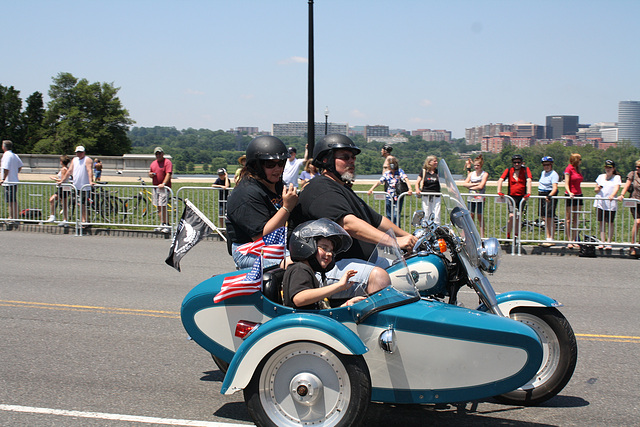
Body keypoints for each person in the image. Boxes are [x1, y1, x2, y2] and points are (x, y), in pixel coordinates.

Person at [294, 133, 416, 299]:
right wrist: (393, 242)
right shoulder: (319, 188)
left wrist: (409, 237)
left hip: (355, 261)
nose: (352, 161)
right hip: (325, 266)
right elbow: (348, 224)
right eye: (345, 157)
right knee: (378, 277)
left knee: (410, 269)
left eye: (353, 158)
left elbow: (379, 221)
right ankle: (379, 325)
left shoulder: (343, 189)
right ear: (326, 160)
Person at [226, 136, 297, 269]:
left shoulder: (277, 185)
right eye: (270, 164)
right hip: (248, 250)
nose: (278, 169)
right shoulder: (246, 194)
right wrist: (287, 207)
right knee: (294, 265)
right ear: (256, 166)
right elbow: (261, 237)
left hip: (277, 243)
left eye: (281, 163)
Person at [283, 218, 365, 309]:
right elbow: (299, 299)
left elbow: (319, 309)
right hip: (302, 322)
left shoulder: (308, 271)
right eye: (324, 248)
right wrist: (339, 286)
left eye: (331, 251)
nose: (329, 254)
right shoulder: (300, 269)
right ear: (307, 246)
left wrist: (345, 305)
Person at [367, 156, 412, 225]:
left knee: (396, 215)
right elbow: (380, 181)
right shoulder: (387, 173)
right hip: (389, 196)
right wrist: (371, 189)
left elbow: (406, 179)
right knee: (389, 215)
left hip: (398, 196)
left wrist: (410, 189)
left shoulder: (400, 171)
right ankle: (390, 229)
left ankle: (397, 230)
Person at [497, 154, 532, 239]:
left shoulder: (525, 170)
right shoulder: (509, 170)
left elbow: (529, 180)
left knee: (518, 217)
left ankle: (516, 236)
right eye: (515, 162)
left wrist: (528, 193)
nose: (517, 164)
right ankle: (508, 235)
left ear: (521, 163)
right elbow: (501, 179)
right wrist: (499, 191)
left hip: (522, 196)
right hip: (511, 196)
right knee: (512, 216)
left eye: (518, 162)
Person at [58, 146, 94, 226]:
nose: (79, 154)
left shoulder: (87, 160)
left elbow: (89, 170)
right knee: (78, 203)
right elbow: (69, 171)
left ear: (84, 152)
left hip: (84, 186)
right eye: (77, 152)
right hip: (76, 185)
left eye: (81, 152)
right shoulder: (74, 160)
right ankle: (84, 220)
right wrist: (62, 180)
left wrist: (91, 181)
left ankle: (84, 220)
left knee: (83, 203)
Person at [594, 160, 621, 250]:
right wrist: (598, 188)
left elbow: (617, 188)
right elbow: (596, 190)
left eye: (610, 167)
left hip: (610, 203)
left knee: (609, 222)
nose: (608, 169)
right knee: (601, 223)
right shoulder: (601, 177)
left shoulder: (616, 177)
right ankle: (602, 241)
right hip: (600, 203)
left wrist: (612, 195)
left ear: (613, 168)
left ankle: (609, 242)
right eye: (606, 167)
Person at [461, 154, 489, 237]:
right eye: (475, 165)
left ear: (481, 165)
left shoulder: (484, 174)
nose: (476, 167)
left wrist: (471, 185)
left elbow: (481, 186)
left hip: (480, 197)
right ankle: (469, 234)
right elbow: (465, 184)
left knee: (480, 215)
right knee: (470, 215)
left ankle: (482, 235)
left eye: (478, 165)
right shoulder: (471, 174)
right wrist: (476, 184)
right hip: (471, 197)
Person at [617, 159, 640, 257]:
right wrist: (622, 194)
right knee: (638, 221)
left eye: (639, 167)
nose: (637, 168)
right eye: (637, 167)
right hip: (635, 201)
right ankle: (632, 245)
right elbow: (627, 185)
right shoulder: (633, 174)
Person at [149, 146, 173, 233]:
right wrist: (150, 175)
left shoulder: (167, 162)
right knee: (158, 207)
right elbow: (150, 172)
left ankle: (167, 224)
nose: (158, 155)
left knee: (163, 206)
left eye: (159, 153)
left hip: (163, 188)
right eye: (156, 154)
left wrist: (163, 184)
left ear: (162, 154)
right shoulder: (153, 163)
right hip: (155, 188)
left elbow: (168, 174)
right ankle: (162, 223)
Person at [537, 156, 559, 244]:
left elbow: (555, 188)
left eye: (548, 165)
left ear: (551, 165)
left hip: (549, 195)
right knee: (544, 218)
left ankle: (551, 238)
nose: (546, 167)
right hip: (542, 194)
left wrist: (549, 196)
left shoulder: (554, 174)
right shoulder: (543, 173)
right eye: (544, 165)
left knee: (550, 217)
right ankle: (547, 237)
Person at [563, 153, 583, 248]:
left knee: (576, 218)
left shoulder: (578, 169)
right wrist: (570, 192)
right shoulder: (569, 169)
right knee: (568, 219)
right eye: (579, 159)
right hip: (570, 195)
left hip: (579, 194)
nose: (580, 161)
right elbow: (566, 183)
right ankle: (569, 239)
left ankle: (575, 239)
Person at [1, 140, 23, 223]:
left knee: (10, 200)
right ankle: (15, 216)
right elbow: (20, 166)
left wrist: (3, 179)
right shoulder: (14, 155)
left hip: (9, 181)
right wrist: (15, 172)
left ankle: (11, 217)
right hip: (14, 180)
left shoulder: (6, 155)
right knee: (13, 200)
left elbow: (6, 169)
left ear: (4, 147)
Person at [46, 155, 72, 226]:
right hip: (64, 188)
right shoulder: (66, 168)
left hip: (63, 188)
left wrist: (54, 179)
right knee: (64, 205)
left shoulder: (64, 169)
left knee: (52, 200)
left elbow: (63, 179)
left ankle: (53, 216)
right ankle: (65, 220)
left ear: (61, 162)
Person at [415, 155, 441, 224]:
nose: (436, 162)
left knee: (436, 213)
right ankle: (426, 228)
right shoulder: (424, 172)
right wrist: (417, 189)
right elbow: (417, 182)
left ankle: (436, 227)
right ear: (429, 162)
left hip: (436, 195)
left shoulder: (438, 172)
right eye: (434, 161)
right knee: (426, 213)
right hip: (426, 195)